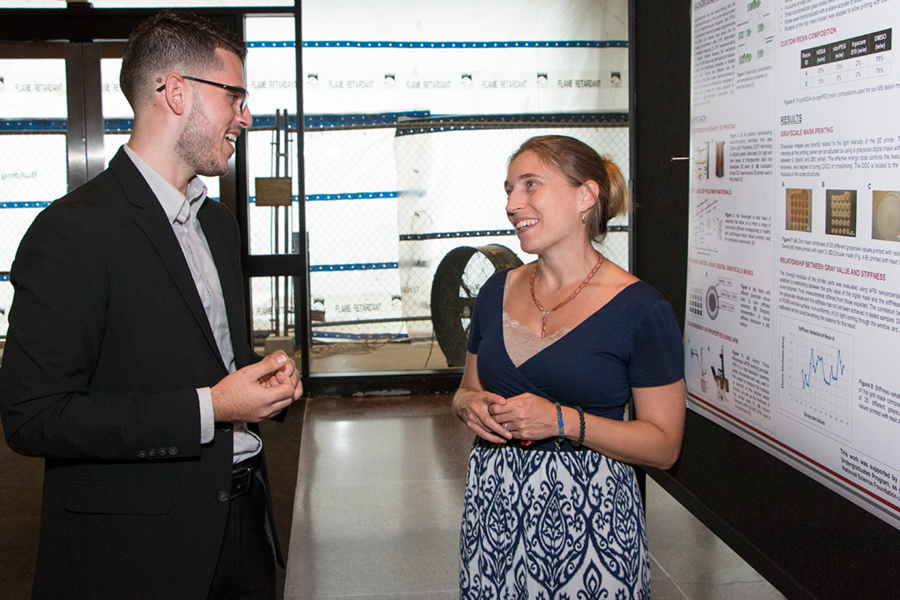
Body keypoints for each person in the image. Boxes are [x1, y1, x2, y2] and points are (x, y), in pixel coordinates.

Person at [0, 11, 302, 600]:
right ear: (176, 91)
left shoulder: (215, 223)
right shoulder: (71, 232)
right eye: (235, 95)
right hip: (139, 557)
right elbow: (33, 417)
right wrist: (210, 407)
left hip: (244, 528)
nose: (246, 114)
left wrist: (258, 384)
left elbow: (202, 358)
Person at [453, 135, 685, 599]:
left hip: (593, 527)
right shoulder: (494, 293)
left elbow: (664, 446)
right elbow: (465, 390)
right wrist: (470, 405)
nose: (512, 204)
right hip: (493, 517)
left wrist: (559, 421)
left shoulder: (640, 310)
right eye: (508, 190)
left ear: (585, 196)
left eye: (530, 185)